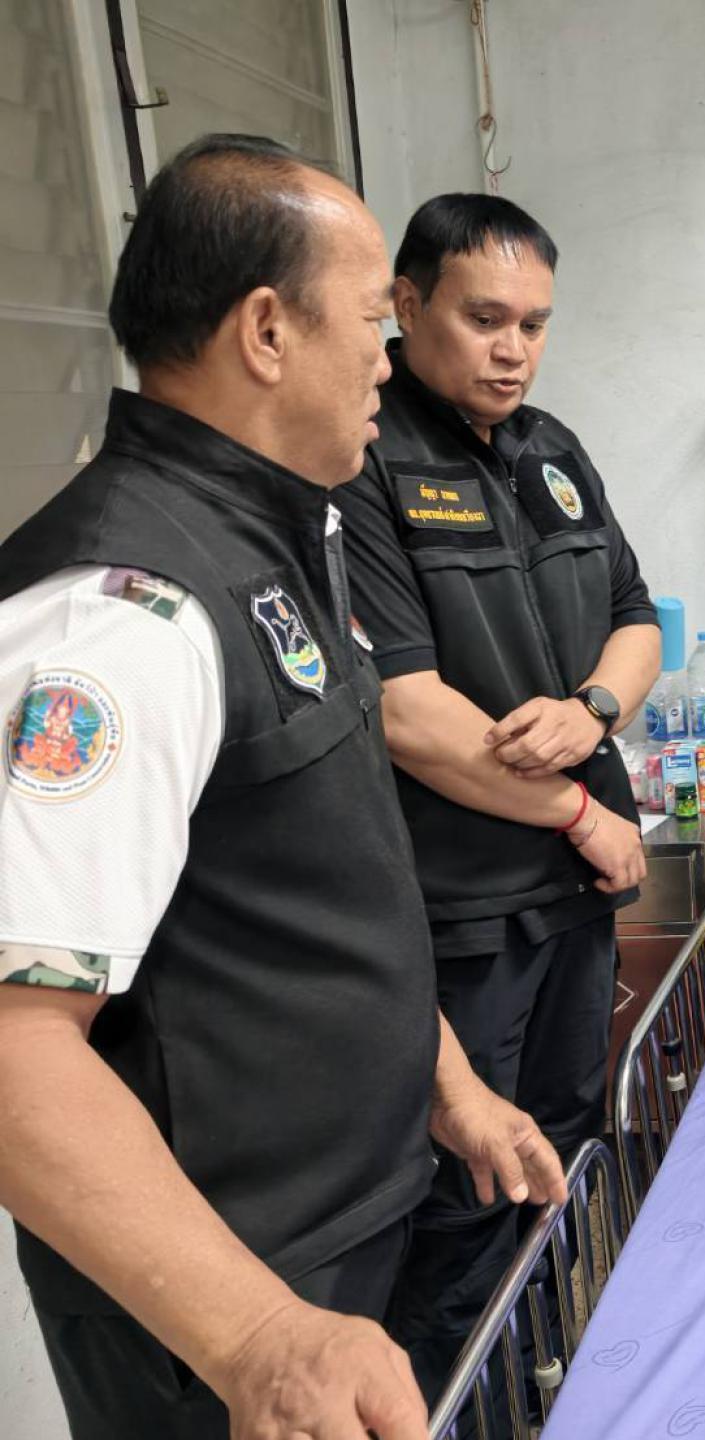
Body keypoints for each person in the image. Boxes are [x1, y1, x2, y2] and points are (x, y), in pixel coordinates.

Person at [0, 135, 564, 1440]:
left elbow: (316, 873)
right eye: (371, 321)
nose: (387, 359)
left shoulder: (281, 536)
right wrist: (257, 1336)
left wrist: (447, 1087)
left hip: (347, 1226)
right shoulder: (119, 616)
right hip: (225, 1300)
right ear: (266, 331)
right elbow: (17, 1045)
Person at [336, 193, 660, 1395]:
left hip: (574, 896)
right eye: (484, 319)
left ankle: (537, 1385)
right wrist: (581, 809)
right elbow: (409, 715)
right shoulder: (362, 460)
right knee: (467, 1188)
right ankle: (450, 1406)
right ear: (406, 303)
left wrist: (596, 711)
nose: (513, 349)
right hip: (465, 910)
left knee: (564, 1144)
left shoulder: (552, 450)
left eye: (533, 323)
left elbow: (637, 618)